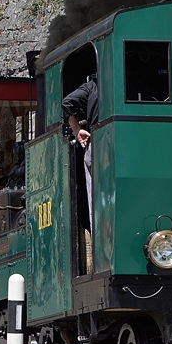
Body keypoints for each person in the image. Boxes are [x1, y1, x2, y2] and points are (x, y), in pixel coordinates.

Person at [62, 74, 99, 232]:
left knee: (94, 200)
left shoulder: (93, 85)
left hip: (96, 142)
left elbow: (67, 103)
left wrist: (76, 130)